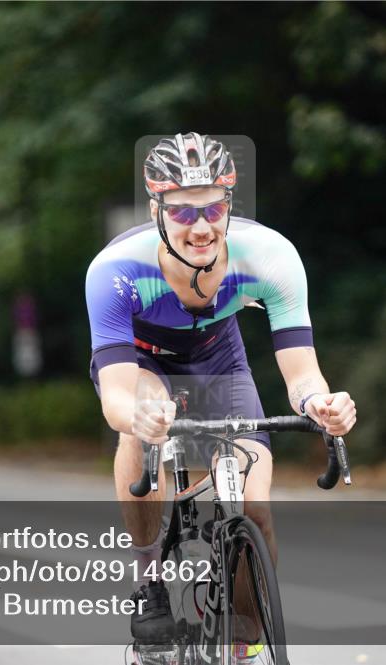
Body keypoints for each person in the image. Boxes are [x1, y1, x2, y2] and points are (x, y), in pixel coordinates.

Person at [85, 132, 356, 647]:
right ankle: (149, 581)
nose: (202, 227)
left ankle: (246, 642)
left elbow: (302, 374)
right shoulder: (116, 271)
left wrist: (319, 404)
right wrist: (138, 419)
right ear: (157, 211)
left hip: (218, 356)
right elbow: (116, 396)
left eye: (212, 209)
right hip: (143, 361)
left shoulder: (270, 256)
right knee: (140, 428)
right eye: (184, 213)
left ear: (229, 205)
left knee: (255, 508)